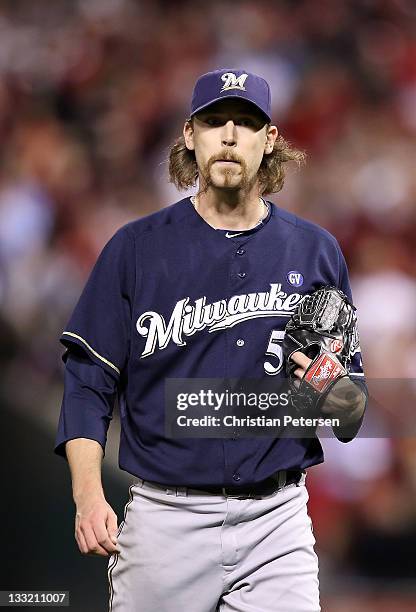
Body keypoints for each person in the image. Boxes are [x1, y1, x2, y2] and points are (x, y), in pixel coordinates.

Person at [55, 69, 367, 612]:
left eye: (245, 123)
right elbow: (87, 385)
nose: (228, 135)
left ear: (269, 140)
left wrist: (323, 384)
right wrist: (87, 494)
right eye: (214, 121)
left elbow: (350, 414)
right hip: (165, 520)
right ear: (189, 135)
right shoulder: (136, 250)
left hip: (277, 520)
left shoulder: (316, 253)